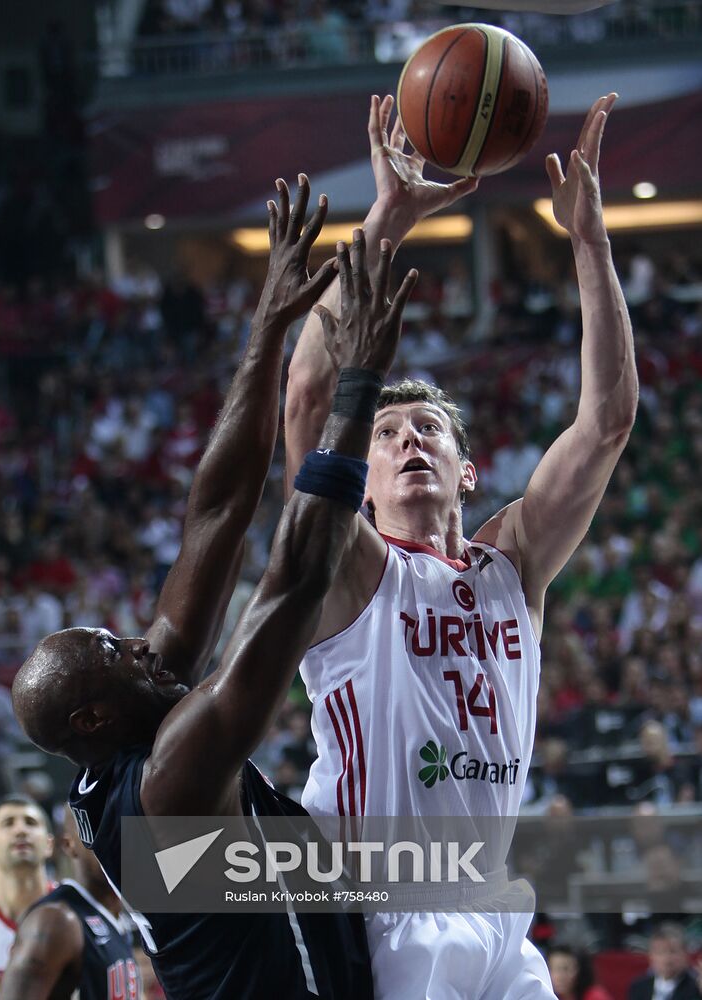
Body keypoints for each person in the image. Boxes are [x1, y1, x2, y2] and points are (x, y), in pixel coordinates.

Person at [11, 186, 417, 999]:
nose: (139, 645)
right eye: (115, 652)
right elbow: (294, 584)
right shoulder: (171, 786)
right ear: (93, 717)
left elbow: (216, 515)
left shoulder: (131, 726)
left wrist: (267, 324)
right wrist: (358, 386)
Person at [285, 93, 637, 999]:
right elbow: (307, 397)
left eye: (427, 429)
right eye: (385, 433)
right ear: (360, 480)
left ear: (467, 470)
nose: (407, 438)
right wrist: (386, 219)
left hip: (494, 903)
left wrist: (589, 244)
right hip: (381, 904)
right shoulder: (351, 566)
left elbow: (605, 422)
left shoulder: (510, 564)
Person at [0, 806, 141, 999]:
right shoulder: (56, 920)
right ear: (68, 844)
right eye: (97, 830)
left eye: (118, 828)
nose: (112, 841)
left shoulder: (120, 917)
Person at [0, 794, 55, 998]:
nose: (20, 830)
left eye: (31, 823)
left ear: (49, 844)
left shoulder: (75, 909)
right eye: (8, 823)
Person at [627, 923, 702, 1000]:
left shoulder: (696, 988)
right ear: (650, 955)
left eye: (673, 951)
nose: (667, 959)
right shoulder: (638, 987)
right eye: (660, 952)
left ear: (685, 954)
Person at [547, 944, 613, 1000]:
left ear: (581, 970)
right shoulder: (547, 996)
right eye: (553, 969)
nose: (559, 976)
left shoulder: (596, 996)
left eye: (565, 969)